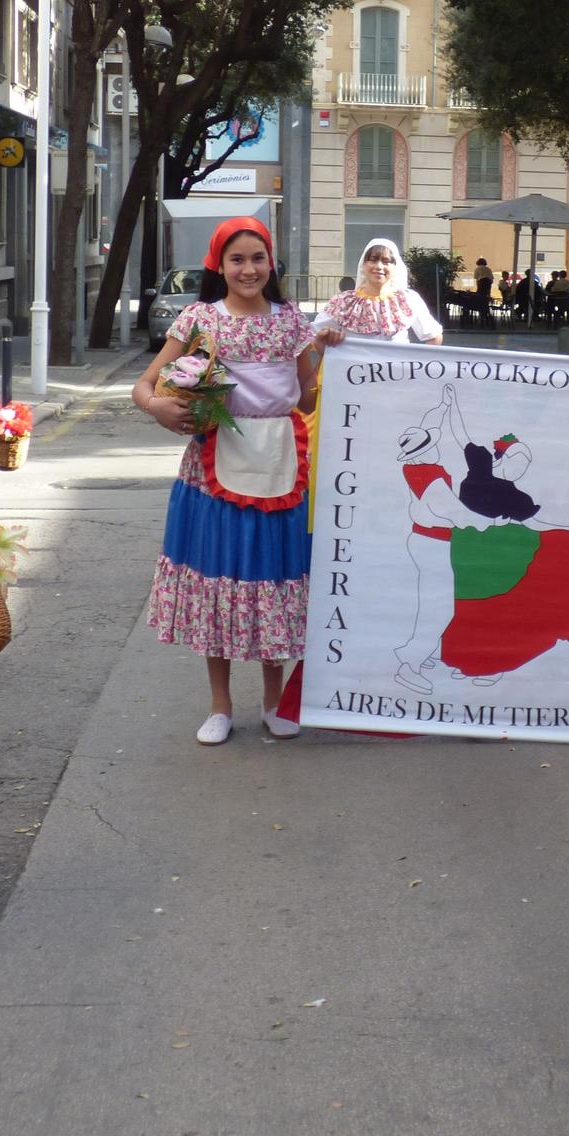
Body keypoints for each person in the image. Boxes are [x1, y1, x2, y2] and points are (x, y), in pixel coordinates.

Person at [138, 217, 318, 745]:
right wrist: (159, 408)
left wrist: (326, 356)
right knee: (220, 576)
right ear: (219, 264)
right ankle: (220, 704)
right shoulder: (199, 320)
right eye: (237, 259)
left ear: (272, 264)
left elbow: (305, 398)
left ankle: (273, 699)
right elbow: (145, 383)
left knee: (274, 576)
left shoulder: (290, 321)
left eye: (258, 258)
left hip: (281, 464)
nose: (249, 269)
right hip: (214, 469)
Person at [313, 238, 444, 347]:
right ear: (363, 265)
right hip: (355, 375)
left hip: (397, 375)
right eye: (373, 259)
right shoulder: (344, 301)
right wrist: (327, 337)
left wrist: (418, 369)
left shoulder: (408, 299)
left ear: (395, 267)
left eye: (386, 261)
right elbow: (313, 336)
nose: (379, 266)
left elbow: (434, 336)